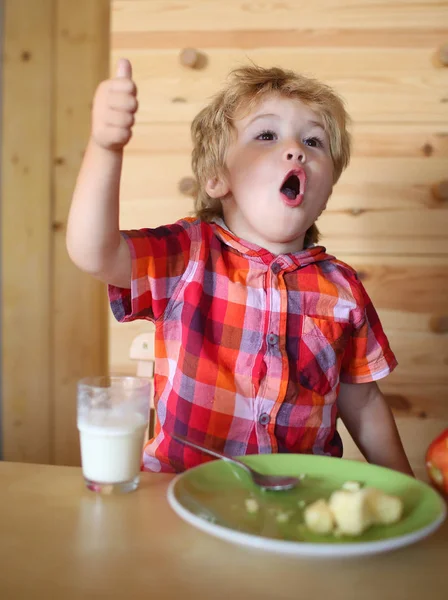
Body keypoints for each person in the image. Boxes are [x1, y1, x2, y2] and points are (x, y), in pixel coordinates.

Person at [66, 58, 413, 476]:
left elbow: (364, 403)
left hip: (295, 501)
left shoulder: (343, 289)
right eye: (266, 135)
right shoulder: (187, 255)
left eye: (314, 142)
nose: (295, 149)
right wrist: (105, 147)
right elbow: (93, 251)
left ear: (326, 193)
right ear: (217, 178)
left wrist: (408, 494)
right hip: (182, 496)